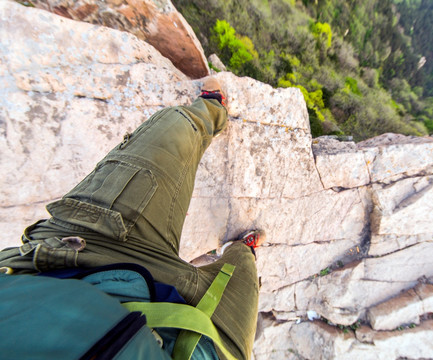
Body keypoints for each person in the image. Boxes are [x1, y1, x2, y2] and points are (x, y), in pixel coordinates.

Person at [0, 77, 263, 360]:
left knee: (175, 127)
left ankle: (211, 109)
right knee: (245, 272)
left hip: (86, 256)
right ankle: (242, 249)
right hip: (205, 344)